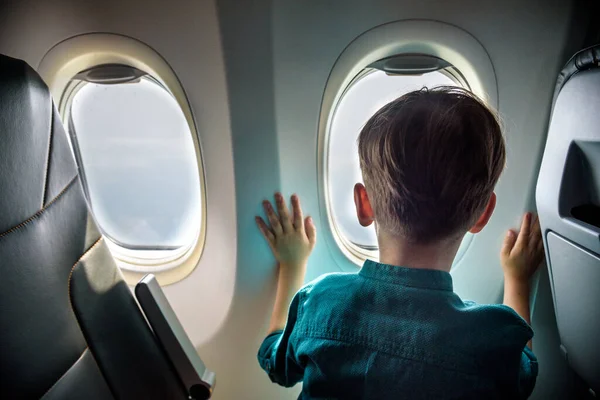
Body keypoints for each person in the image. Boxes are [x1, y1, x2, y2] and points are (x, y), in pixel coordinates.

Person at [255, 87, 544, 399]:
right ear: (482, 214)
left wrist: (292, 263)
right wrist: (517, 277)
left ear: (363, 204)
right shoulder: (492, 338)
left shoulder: (322, 304)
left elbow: (275, 362)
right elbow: (523, 376)